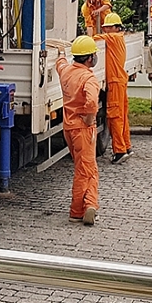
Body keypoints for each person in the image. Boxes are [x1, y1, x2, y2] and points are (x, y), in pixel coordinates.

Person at [55, 35, 101, 226]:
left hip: (69, 128)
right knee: (85, 170)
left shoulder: (66, 71)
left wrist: (60, 54)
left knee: (87, 167)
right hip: (83, 129)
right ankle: (77, 210)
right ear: (90, 58)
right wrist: (90, 118)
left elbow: (60, 64)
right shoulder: (88, 77)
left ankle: (90, 204)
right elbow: (91, 102)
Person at [93, 13, 132, 164]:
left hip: (115, 82)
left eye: (109, 27)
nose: (106, 30)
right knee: (121, 116)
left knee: (114, 116)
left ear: (116, 27)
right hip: (119, 80)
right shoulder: (119, 38)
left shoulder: (114, 38)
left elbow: (94, 39)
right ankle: (126, 146)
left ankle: (120, 151)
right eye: (105, 28)